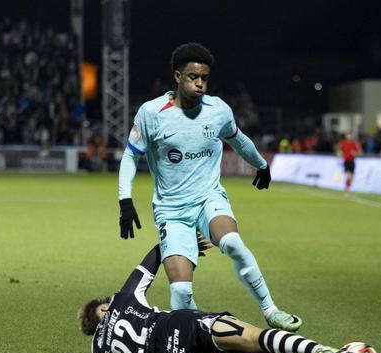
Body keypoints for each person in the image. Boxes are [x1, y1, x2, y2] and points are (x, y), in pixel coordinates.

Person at [117, 42, 301, 331]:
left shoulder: (218, 110)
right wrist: (124, 200)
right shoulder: (151, 113)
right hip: (171, 209)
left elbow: (238, 139)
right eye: (193, 77)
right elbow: (131, 155)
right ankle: (200, 337)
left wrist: (261, 165)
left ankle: (270, 310)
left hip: (208, 198)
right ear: (177, 77)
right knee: (180, 292)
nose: (200, 84)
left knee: (232, 243)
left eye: (204, 78)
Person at [78, 242, 379, 353]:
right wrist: (179, 246)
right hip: (177, 327)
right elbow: (150, 261)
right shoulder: (121, 301)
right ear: (103, 310)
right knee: (257, 339)